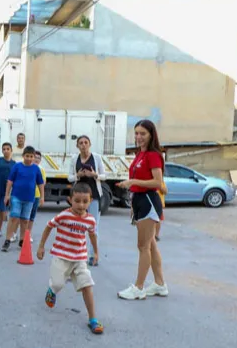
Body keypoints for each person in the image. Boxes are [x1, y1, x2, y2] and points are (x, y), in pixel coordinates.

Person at [36, 182, 104, 335]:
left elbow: (92, 235)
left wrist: (96, 253)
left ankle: (93, 319)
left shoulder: (90, 220)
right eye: (77, 201)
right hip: (61, 256)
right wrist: (41, 246)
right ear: (70, 200)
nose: (81, 205)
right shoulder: (64, 215)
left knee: (87, 285)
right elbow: (48, 226)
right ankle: (52, 290)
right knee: (59, 284)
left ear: (90, 201)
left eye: (85, 201)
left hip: (79, 258)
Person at [116, 119, 168, 300]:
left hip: (148, 200)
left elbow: (157, 183)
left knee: (143, 246)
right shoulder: (140, 154)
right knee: (151, 244)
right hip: (139, 200)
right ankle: (160, 284)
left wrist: (133, 182)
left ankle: (139, 288)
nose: (138, 137)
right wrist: (132, 202)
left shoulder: (154, 155)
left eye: (142, 133)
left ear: (151, 135)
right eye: (136, 133)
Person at [67, 135, 109, 265]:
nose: (83, 145)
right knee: (77, 225)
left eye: (86, 142)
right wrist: (77, 176)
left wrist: (94, 175)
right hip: (78, 197)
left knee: (93, 226)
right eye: (81, 143)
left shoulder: (96, 158)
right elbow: (69, 178)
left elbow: (104, 176)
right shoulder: (75, 159)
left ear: (89, 144)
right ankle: (78, 255)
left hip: (93, 196)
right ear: (77, 146)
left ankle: (93, 255)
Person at [2, 146, 45, 252]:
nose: (29, 158)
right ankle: (7, 240)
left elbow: (40, 183)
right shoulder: (17, 166)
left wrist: (42, 197)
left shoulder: (36, 169)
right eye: (27, 156)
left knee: (25, 220)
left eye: (31, 156)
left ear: (34, 157)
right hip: (16, 197)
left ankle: (22, 240)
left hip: (29, 199)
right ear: (23, 156)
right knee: (14, 218)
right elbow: (10, 181)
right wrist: (7, 195)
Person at [27, 149, 47, 243]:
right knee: (22, 216)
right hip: (26, 195)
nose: (37, 159)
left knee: (31, 217)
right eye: (35, 157)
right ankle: (15, 233)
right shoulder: (27, 167)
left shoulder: (41, 170)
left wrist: (42, 197)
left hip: (36, 196)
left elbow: (43, 183)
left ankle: (28, 234)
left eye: (39, 158)